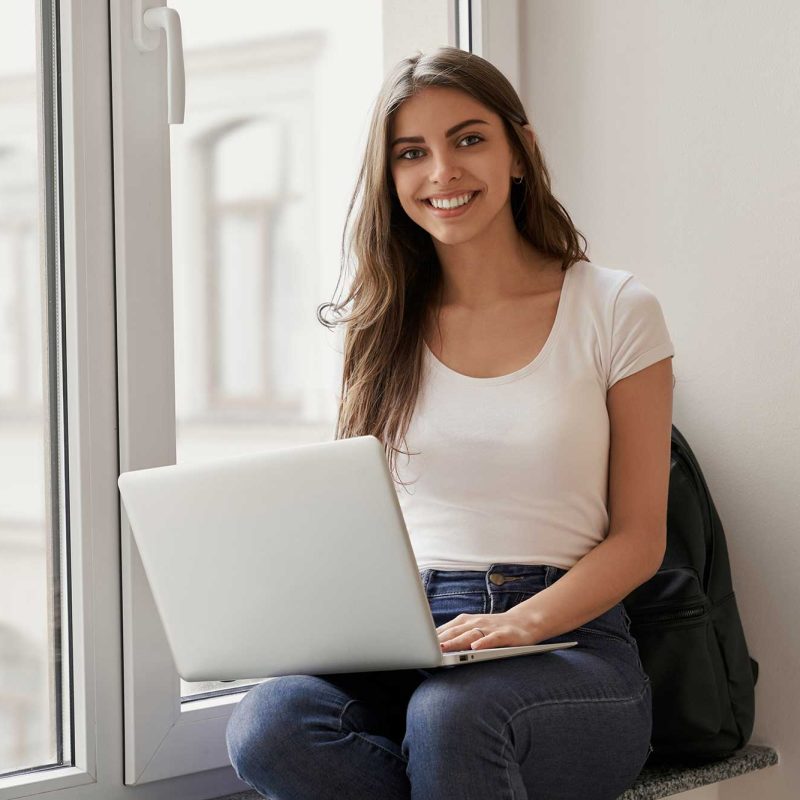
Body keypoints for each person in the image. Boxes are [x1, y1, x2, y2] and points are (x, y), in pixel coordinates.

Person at [225, 45, 675, 800]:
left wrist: (523, 622)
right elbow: (357, 519)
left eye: (469, 139)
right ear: (390, 177)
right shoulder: (375, 328)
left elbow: (640, 539)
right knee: (271, 725)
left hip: (571, 640)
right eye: (412, 153)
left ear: (520, 152)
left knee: (451, 717)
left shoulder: (616, 309)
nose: (442, 173)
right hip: (411, 631)